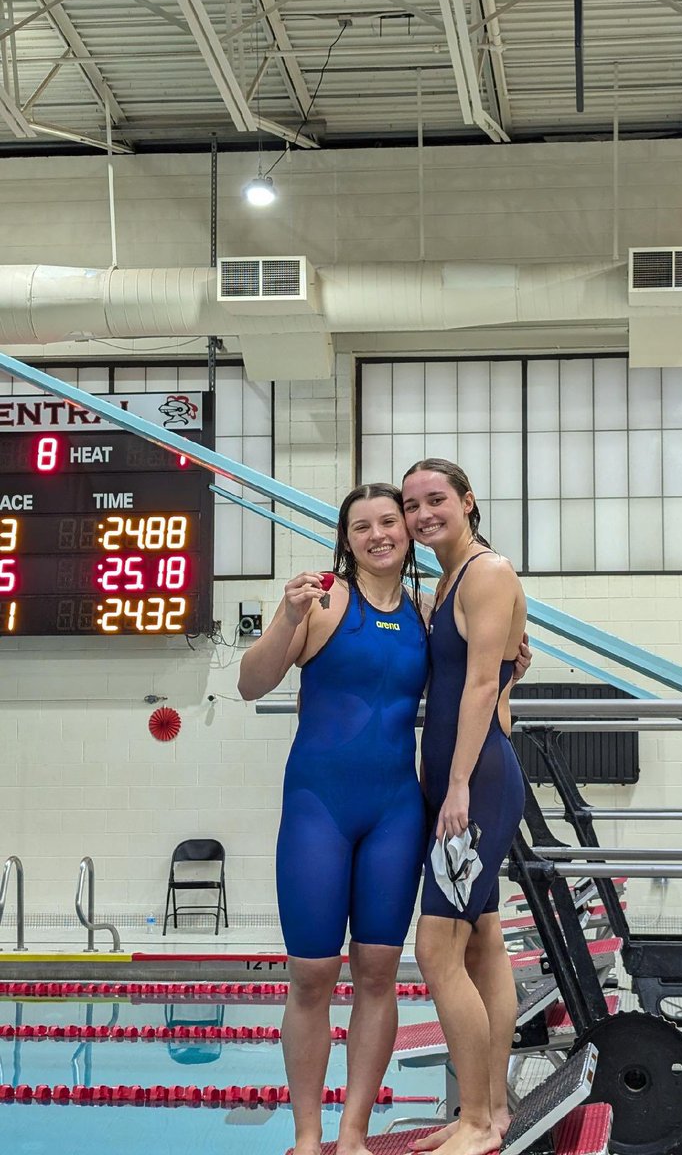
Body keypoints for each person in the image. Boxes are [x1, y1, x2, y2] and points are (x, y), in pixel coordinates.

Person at [238, 484, 429, 1155]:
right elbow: (250, 683)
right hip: (319, 807)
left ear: (406, 530)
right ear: (345, 539)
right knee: (313, 975)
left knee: (378, 972)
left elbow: (468, 689)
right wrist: (286, 618)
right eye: (362, 526)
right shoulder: (320, 600)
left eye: (389, 521)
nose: (378, 535)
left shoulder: (426, 612)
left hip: (396, 811)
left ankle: (352, 1135)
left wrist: (512, 671)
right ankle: (307, 1135)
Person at [401, 458, 528, 1155]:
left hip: (472, 785)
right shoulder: (449, 581)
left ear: (468, 501)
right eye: (411, 504)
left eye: (436, 499)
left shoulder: (486, 572)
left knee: (436, 949)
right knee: (480, 942)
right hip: (460, 780)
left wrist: (456, 786)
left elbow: (481, 688)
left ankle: (476, 1121)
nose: (423, 514)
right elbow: (495, 681)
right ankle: (493, 1109)